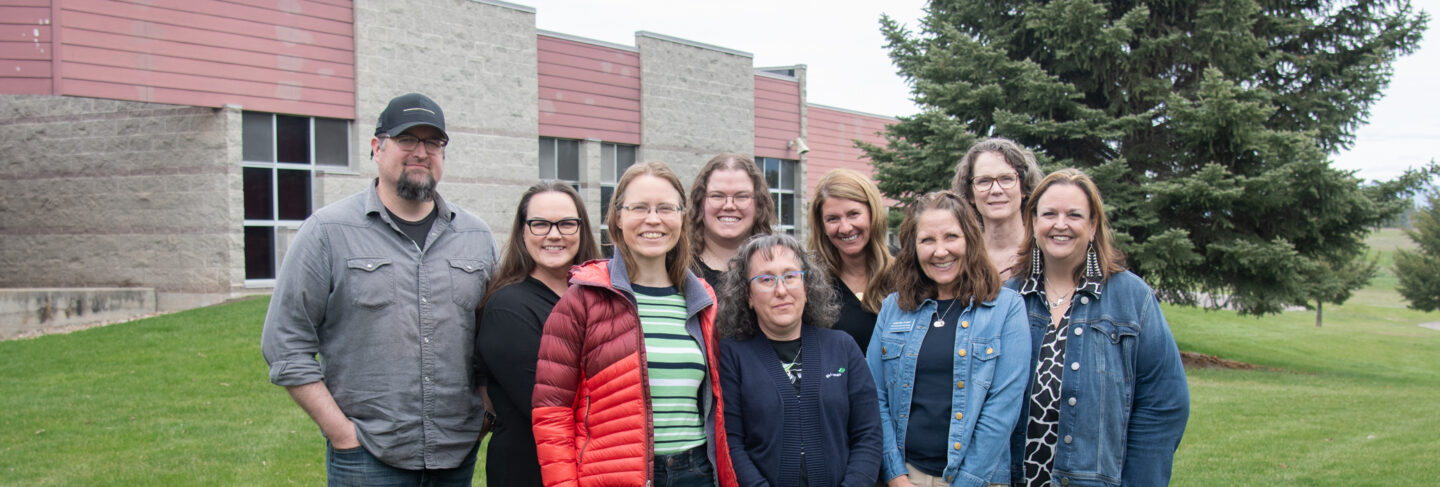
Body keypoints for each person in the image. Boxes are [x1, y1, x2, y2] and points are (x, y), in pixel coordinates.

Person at [261, 92, 497, 485]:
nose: (421, 152)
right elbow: (284, 343)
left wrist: (486, 412)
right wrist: (341, 433)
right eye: (407, 139)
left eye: (433, 142)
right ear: (377, 147)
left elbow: (493, 340)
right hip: (367, 457)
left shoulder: (476, 236)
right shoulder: (328, 232)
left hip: (456, 455)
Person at [532, 161, 739, 487]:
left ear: (682, 217)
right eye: (639, 207)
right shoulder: (582, 301)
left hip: (696, 472)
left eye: (665, 208)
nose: (653, 219)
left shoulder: (703, 302)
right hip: (614, 476)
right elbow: (551, 412)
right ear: (617, 216)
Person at [1008, 169, 1189, 487]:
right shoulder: (1010, 298)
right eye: (1049, 214)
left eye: (1074, 215)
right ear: (1034, 222)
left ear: (1092, 226)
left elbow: (1165, 404)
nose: (1060, 224)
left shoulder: (1131, 297)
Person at [867, 191, 1030, 487]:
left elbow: (1003, 406)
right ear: (913, 248)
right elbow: (874, 394)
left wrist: (968, 482)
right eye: (927, 240)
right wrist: (895, 474)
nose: (940, 251)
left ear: (970, 240)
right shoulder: (894, 308)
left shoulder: (1006, 308)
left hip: (980, 478)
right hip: (907, 475)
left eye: (951, 237)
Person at [717, 234, 882, 487]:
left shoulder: (842, 347)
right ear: (747, 295)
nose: (781, 290)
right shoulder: (732, 355)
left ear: (807, 285)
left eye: (791, 276)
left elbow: (868, 435)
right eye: (766, 279)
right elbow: (731, 442)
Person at [475, 181, 601, 487]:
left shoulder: (598, 296)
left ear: (581, 230)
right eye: (540, 224)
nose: (554, 234)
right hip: (530, 472)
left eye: (566, 224)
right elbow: (548, 406)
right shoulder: (508, 308)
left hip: (593, 466)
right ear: (522, 232)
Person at [807, 169, 894, 352]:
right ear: (821, 225)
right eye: (833, 219)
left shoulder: (904, 272)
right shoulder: (810, 283)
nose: (845, 228)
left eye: (854, 214)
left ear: (873, 213)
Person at [949, 138, 1045, 281]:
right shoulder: (961, 257)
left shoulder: (1045, 251)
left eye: (1006, 179)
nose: (995, 190)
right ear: (970, 195)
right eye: (984, 181)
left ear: (1023, 187)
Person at [687, 153, 775, 285]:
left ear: (759, 204)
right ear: (700, 202)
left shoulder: (779, 272)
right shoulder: (677, 272)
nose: (729, 206)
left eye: (741, 196)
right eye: (717, 196)